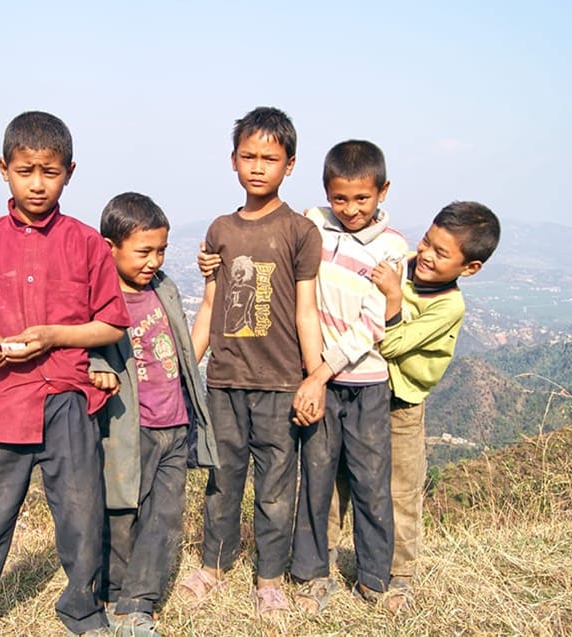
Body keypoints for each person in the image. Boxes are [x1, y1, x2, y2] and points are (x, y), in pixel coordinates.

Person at [0, 111, 131, 637]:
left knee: (81, 518)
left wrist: (56, 335)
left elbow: (109, 324)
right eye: (26, 170)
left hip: (67, 400)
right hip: (1, 402)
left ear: (70, 172)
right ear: (4, 170)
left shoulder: (85, 244)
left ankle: (82, 609)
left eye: (50, 171)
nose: (37, 183)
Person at [176, 106, 327, 619]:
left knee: (276, 488)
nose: (258, 166)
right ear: (233, 161)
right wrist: (185, 370)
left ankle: (269, 578)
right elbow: (209, 306)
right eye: (249, 156)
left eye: (270, 158)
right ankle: (214, 566)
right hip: (223, 379)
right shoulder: (220, 229)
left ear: (290, 164)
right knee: (222, 480)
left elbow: (306, 309)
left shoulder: (301, 233)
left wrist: (314, 377)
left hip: (281, 382)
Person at [87, 192, 219, 637]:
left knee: (163, 516)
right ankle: (113, 594)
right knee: (122, 512)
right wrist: (99, 368)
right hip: (130, 428)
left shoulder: (164, 286)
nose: (153, 260)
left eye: (161, 250)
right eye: (143, 252)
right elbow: (88, 353)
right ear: (111, 248)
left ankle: (137, 605)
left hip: (174, 423)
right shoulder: (99, 299)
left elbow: (183, 348)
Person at [291, 139, 410, 613]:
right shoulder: (313, 223)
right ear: (326, 192)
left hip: (365, 386)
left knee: (370, 482)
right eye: (340, 198)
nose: (351, 208)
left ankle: (377, 578)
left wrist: (317, 374)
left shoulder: (392, 247)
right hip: (322, 379)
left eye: (362, 198)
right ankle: (312, 574)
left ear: (383, 191)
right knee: (315, 479)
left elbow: (370, 327)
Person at [370, 200, 501, 597]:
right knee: (343, 476)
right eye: (427, 241)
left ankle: (401, 575)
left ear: (470, 268)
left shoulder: (449, 304)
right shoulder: (402, 263)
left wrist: (392, 297)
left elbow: (392, 344)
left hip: (404, 403)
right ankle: (322, 559)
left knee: (402, 490)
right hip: (366, 390)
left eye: (441, 253)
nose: (425, 254)